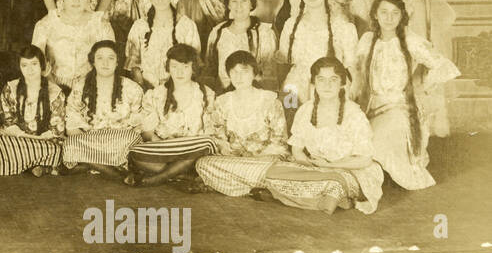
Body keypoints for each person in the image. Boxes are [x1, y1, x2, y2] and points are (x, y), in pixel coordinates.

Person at [352, 0, 460, 191]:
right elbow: (356, 73)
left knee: (377, 140)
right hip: (371, 105)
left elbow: (443, 65)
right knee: (358, 140)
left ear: (402, 16)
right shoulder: (367, 40)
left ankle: (387, 172)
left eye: (395, 13)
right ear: (375, 14)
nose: (389, 18)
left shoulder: (411, 40)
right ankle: (375, 172)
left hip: (400, 107)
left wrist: (422, 85)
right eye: (383, 12)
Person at [258, 57, 384, 214]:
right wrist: (311, 165)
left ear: (342, 83)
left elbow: (365, 160)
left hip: (350, 171)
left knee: (334, 182)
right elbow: (297, 151)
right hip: (317, 169)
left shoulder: (354, 114)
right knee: (272, 172)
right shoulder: (305, 111)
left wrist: (329, 166)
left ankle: (292, 196)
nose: (327, 85)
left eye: (333, 80)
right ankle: (321, 198)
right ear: (313, 83)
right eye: (321, 80)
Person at [195, 51, 290, 196]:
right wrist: (226, 150)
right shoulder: (222, 101)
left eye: (244, 72)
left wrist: (260, 157)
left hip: (263, 160)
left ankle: (231, 184)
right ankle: (256, 188)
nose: (239, 77)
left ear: (254, 74)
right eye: (234, 72)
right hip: (233, 159)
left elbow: (279, 139)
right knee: (203, 163)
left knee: (276, 167)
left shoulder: (269, 100)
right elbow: (216, 134)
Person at [126, 43, 219, 188]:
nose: (179, 72)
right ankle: (184, 176)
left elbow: (210, 130)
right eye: (175, 66)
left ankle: (159, 178)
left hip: (193, 150)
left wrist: (190, 145)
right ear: (168, 67)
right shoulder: (156, 94)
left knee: (207, 143)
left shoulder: (206, 94)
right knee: (134, 153)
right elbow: (148, 130)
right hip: (166, 147)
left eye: (185, 67)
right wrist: (158, 141)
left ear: (193, 68)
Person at [0, 44, 65, 177]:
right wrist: (25, 137)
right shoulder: (11, 87)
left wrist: (37, 139)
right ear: (20, 67)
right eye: (24, 65)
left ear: (42, 66)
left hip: (44, 142)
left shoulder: (55, 92)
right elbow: (8, 122)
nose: (30, 70)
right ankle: (36, 164)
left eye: (34, 64)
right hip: (17, 139)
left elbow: (56, 129)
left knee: (58, 150)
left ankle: (18, 161)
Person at [62, 41, 145, 177]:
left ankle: (91, 164)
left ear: (117, 62)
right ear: (93, 62)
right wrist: (90, 141)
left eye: (110, 58)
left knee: (133, 139)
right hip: (91, 139)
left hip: (120, 140)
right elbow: (71, 124)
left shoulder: (132, 88)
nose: (105, 63)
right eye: (100, 58)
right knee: (70, 144)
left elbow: (139, 125)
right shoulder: (80, 87)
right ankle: (116, 173)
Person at [278, 0, 358, 108]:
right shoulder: (291, 25)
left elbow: (352, 66)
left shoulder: (342, 26)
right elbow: (283, 62)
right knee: (290, 118)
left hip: (330, 85)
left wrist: (354, 89)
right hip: (295, 87)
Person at [31, 0, 115, 89]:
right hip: (53, 84)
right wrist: (54, 87)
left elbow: (109, 60)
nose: (76, 1)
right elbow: (35, 60)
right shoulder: (46, 24)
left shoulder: (100, 24)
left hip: (90, 85)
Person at [125, 0, 201, 88]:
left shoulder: (186, 25)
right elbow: (133, 64)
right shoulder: (140, 26)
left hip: (178, 89)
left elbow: (194, 64)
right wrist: (143, 88)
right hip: (146, 90)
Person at [204, 0, 278, 90]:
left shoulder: (264, 33)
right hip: (223, 94)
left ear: (251, 5)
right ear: (228, 5)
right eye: (234, 1)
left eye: (244, 1)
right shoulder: (217, 32)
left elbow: (270, 72)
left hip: (254, 94)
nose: (239, 6)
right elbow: (209, 67)